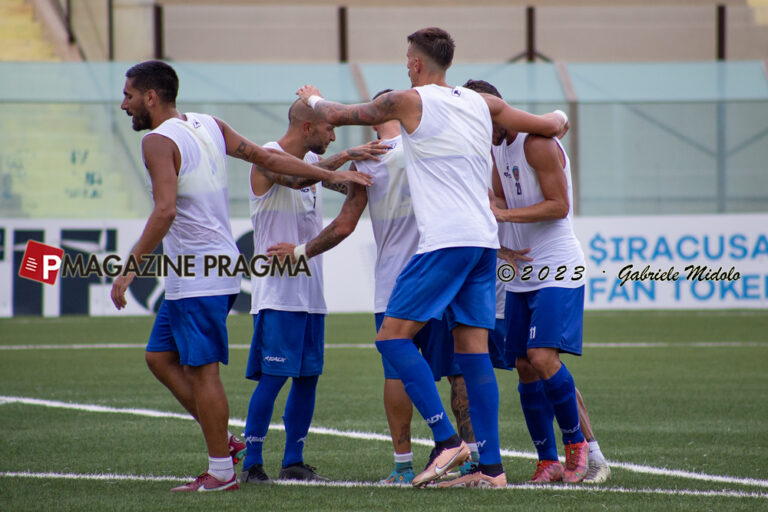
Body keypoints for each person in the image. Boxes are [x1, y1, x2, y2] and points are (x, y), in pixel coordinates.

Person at [295, 27, 567, 488]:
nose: (406, 65)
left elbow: (341, 114)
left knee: (391, 339)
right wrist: (559, 115)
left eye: (407, 59)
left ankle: (446, 440)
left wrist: (315, 99)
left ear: (417, 64)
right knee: (473, 354)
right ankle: (492, 471)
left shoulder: (408, 100)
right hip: (483, 240)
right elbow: (550, 123)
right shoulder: (481, 103)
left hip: (447, 240)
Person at [109, 60, 371, 493]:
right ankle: (227, 443)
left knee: (203, 372)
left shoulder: (157, 140)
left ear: (151, 97)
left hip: (201, 273)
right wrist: (329, 171)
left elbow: (165, 210)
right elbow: (267, 157)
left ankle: (222, 472)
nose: (124, 104)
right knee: (158, 357)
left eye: (129, 96)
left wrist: (129, 269)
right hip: (204, 272)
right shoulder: (209, 124)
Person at [267, 91, 484, 485]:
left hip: (394, 284)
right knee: (459, 372)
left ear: (372, 122)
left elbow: (343, 223)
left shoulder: (372, 159)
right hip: (443, 272)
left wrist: (300, 250)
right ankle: (476, 459)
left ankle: (403, 465)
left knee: (396, 371)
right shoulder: (428, 146)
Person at [464, 79, 611, 484]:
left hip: (557, 266)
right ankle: (547, 460)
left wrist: (504, 217)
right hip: (521, 272)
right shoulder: (496, 147)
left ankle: (577, 450)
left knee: (544, 358)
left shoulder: (536, 142)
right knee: (526, 366)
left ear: (495, 112)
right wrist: (498, 235)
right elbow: (497, 197)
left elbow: (558, 205)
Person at [240, 99, 387, 485]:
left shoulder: (316, 168)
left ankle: (294, 461)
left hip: (311, 294)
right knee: (273, 379)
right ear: (308, 128)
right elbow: (298, 178)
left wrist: (380, 171)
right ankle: (252, 463)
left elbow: (356, 188)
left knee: (308, 378)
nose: (334, 135)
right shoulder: (267, 156)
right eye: (329, 129)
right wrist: (347, 155)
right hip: (278, 295)